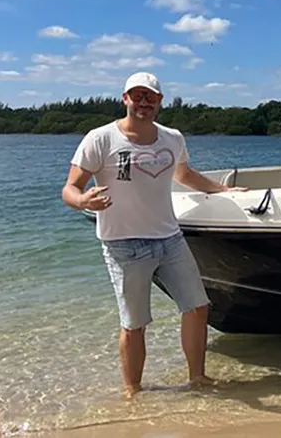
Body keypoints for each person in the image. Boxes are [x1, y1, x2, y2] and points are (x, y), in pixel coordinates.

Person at [61, 71, 247, 399]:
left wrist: (223, 190)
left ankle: (197, 378)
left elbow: (184, 174)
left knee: (197, 307)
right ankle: (133, 391)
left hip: (170, 238)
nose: (143, 102)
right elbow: (70, 188)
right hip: (123, 245)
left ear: (160, 101)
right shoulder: (100, 138)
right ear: (125, 99)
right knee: (135, 324)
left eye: (150, 96)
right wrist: (81, 201)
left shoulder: (172, 138)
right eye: (137, 95)